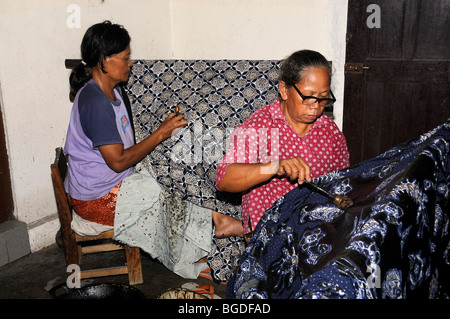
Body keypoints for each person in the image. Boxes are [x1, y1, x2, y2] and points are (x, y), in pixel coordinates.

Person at [64, 21, 241, 278]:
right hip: (96, 198)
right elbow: (117, 162)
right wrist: (161, 132)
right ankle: (193, 255)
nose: (130, 63)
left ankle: (216, 222)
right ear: (104, 61)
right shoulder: (95, 102)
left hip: (114, 182)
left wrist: (163, 134)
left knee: (176, 167)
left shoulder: (113, 92)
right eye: (125, 58)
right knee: (172, 189)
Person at [216, 49, 350, 235]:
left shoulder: (330, 131)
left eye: (323, 97)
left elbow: (343, 181)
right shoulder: (262, 125)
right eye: (308, 96)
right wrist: (273, 167)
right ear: (284, 90)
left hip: (314, 228)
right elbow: (224, 178)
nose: (316, 106)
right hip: (269, 230)